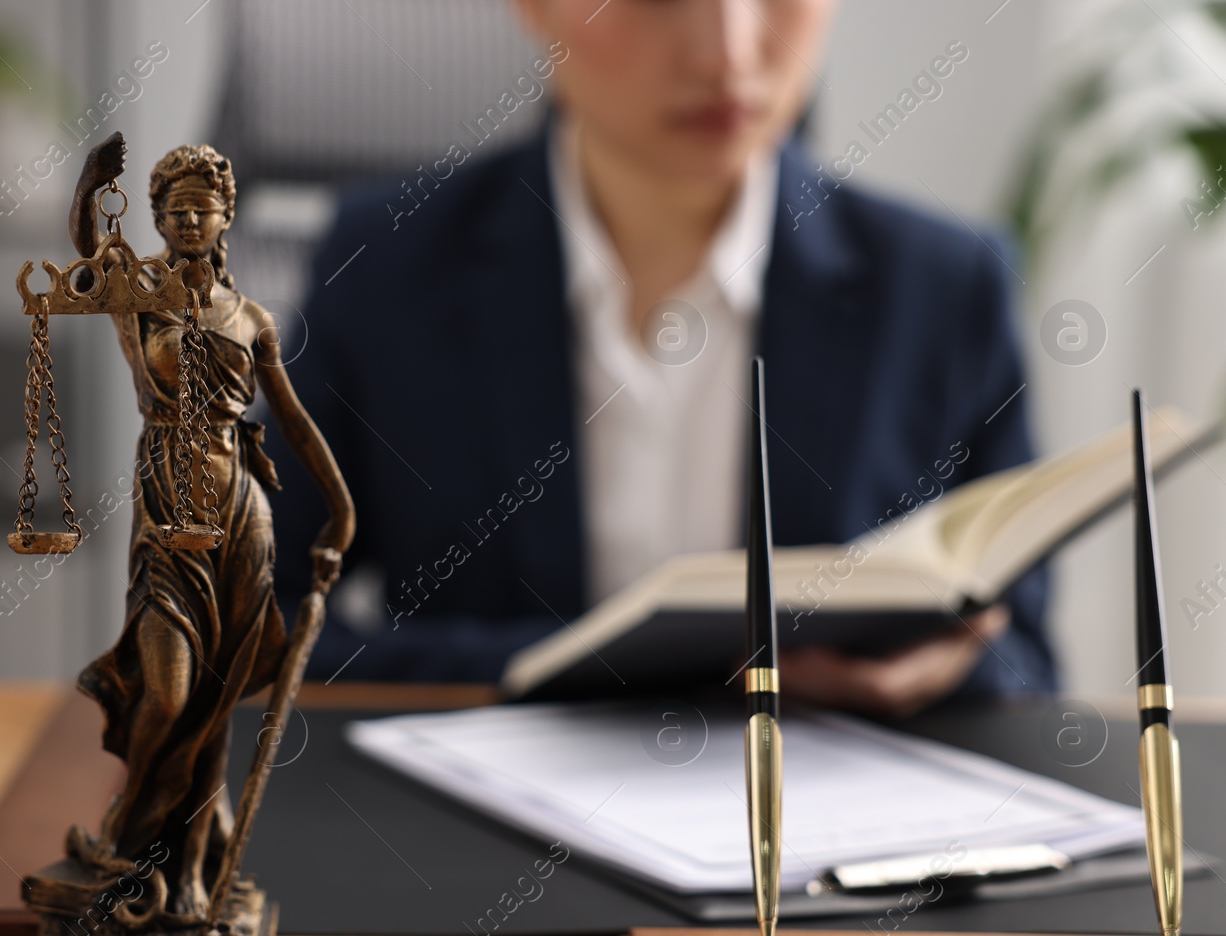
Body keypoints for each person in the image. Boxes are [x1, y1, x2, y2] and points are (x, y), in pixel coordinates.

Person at [269, 0, 1055, 714]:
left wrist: (945, 673)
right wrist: (606, 670)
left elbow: (1024, 656)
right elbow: (253, 624)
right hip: (484, 847)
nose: (728, 53)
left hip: (819, 842)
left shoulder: (947, 289)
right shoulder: (385, 267)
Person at [69, 133, 353, 918]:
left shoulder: (252, 317)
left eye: (204, 209)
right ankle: (132, 827)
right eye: (176, 210)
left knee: (220, 700)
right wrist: (92, 185)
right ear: (157, 217)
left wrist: (341, 507)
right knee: (169, 690)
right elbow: (90, 250)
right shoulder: (142, 298)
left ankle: (190, 865)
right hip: (167, 510)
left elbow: (293, 423)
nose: (191, 221)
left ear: (228, 217)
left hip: (240, 514)